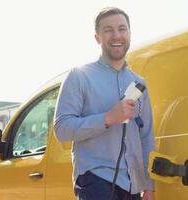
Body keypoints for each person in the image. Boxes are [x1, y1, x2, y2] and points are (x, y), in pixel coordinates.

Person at [54, 7, 155, 200]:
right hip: (95, 180)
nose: (116, 35)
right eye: (108, 30)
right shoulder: (79, 77)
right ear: (97, 38)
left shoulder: (140, 83)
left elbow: (146, 137)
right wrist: (108, 118)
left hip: (133, 185)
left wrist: (149, 187)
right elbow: (62, 129)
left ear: (129, 34)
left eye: (122, 29)